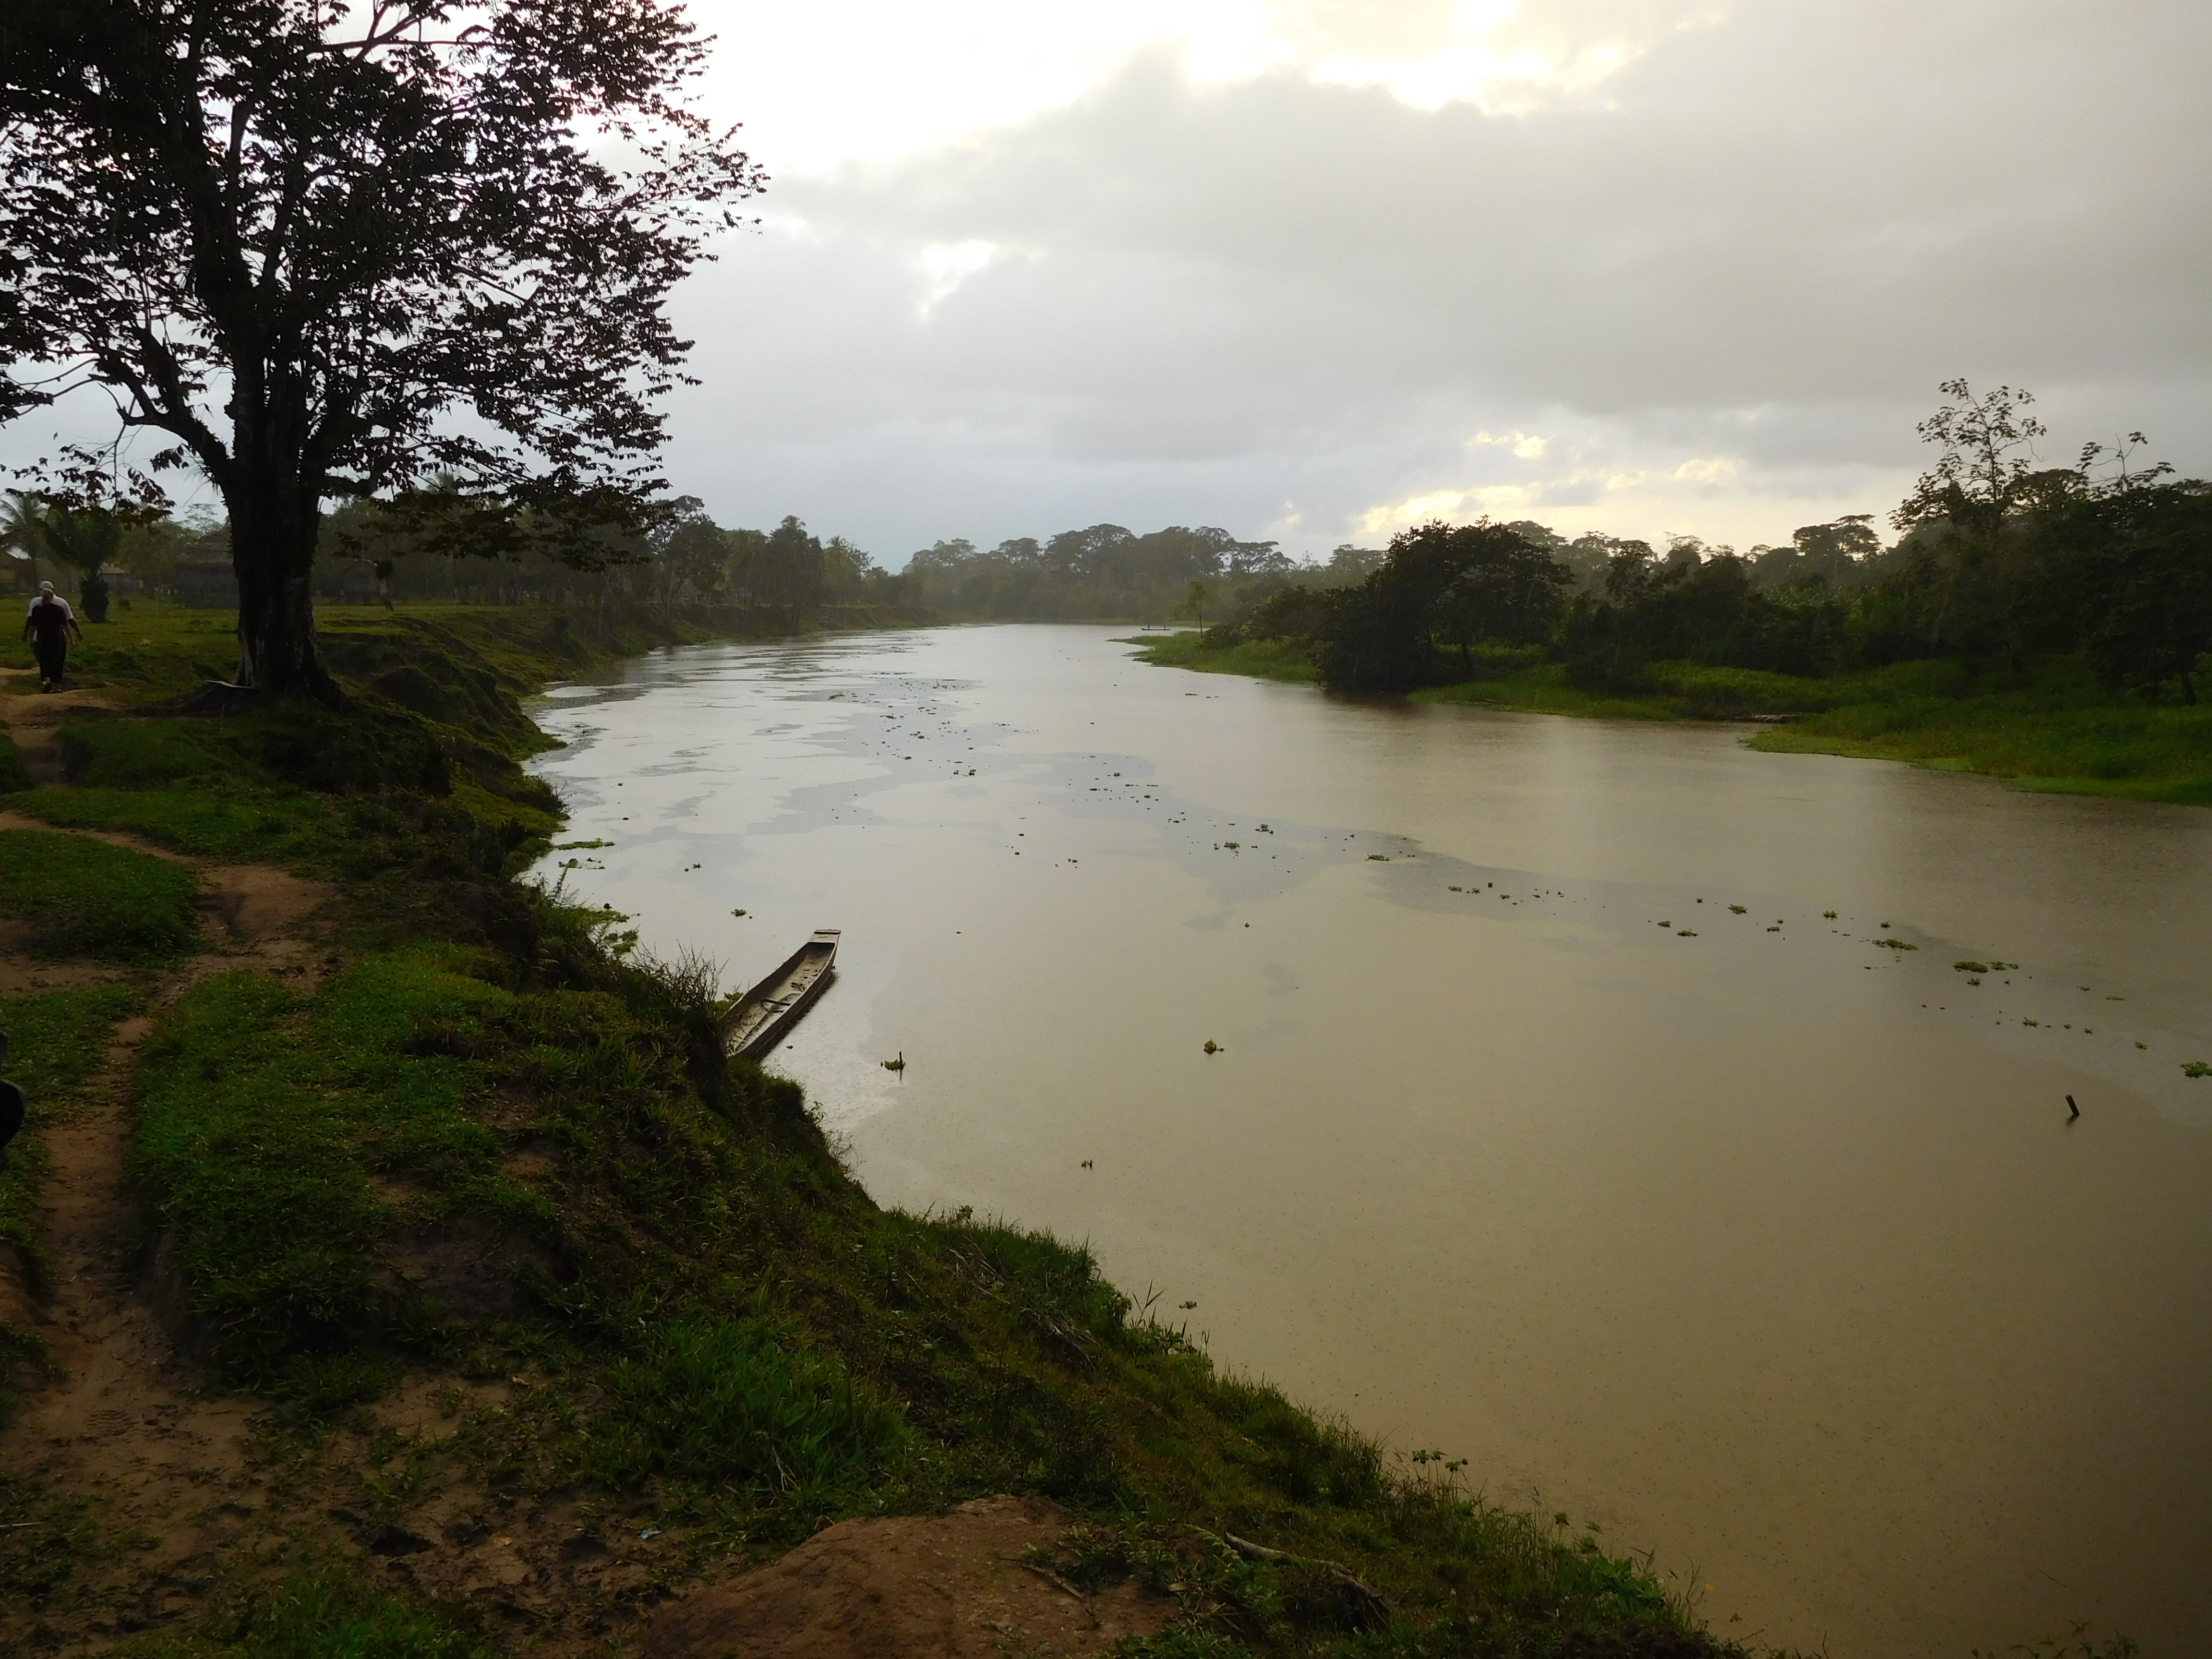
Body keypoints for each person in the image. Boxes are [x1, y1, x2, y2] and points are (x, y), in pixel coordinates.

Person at [23, 581, 83, 692]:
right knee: (58, 661)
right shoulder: (60, 605)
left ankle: (47, 680)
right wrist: (74, 637)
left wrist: (28, 637)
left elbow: (31, 622)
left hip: (40, 639)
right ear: (53, 592)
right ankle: (56, 685)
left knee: (44, 661)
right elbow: (68, 623)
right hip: (57, 639)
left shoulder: (36, 605)